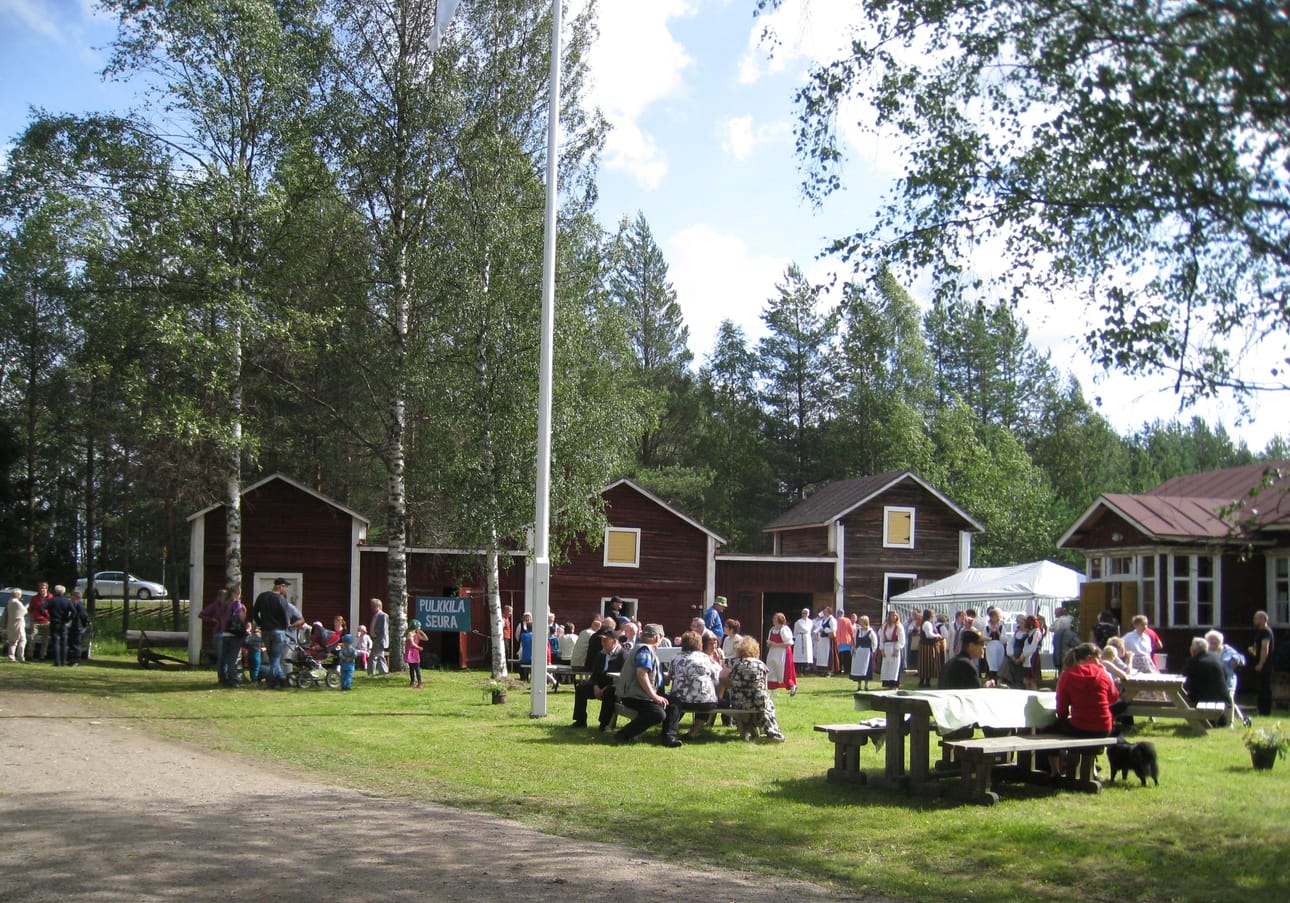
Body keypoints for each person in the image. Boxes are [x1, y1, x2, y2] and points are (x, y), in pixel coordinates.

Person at [611, 622, 680, 748]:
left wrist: (662, 678)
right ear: (657, 637)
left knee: (674, 703)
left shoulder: (641, 648)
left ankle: (669, 737)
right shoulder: (645, 650)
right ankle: (622, 735)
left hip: (640, 694)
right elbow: (641, 673)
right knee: (657, 714)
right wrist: (654, 696)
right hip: (635, 696)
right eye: (661, 637)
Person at [724, 635, 785, 742]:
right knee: (766, 704)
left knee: (749, 702)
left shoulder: (732, 663)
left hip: (739, 702)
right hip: (759, 701)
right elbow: (764, 687)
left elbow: (724, 680)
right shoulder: (761, 665)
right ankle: (771, 731)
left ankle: (749, 728)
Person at [666, 631, 722, 739]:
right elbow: (717, 677)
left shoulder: (675, 658)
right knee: (706, 697)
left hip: (681, 701)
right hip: (705, 703)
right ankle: (694, 732)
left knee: (675, 699)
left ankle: (672, 729)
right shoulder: (705, 658)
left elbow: (668, 679)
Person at [571, 627, 622, 729]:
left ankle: (604, 724)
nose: (602, 643)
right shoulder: (601, 654)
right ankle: (580, 721)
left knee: (609, 692)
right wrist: (595, 686)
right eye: (602, 640)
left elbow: (623, 678)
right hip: (599, 685)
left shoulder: (623, 656)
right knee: (581, 688)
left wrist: (606, 687)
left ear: (614, 641)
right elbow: (595, 674)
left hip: (614, 687)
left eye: (605, 640)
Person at [253, 578, 296, 689]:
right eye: (286, 587)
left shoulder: (262, 597)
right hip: (278, 632)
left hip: (266, 631)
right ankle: (272, 683)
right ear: (281, 586)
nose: (286, 590)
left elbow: (254, 613)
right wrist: (285, 627)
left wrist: (261, 624)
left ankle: (281, 678)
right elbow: (286, 619)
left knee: (272, 658)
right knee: (275, 658)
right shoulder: (281, 600)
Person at [1181, 636, 1228, 721]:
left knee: (1184, 696)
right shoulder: (1216, 657)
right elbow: (1226, 675)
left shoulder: (1194, 662)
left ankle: (1198, 721)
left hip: (1203, 698)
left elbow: (1183, 679)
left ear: (1194, 650)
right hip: (1222, 697)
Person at [1205, 629, 1247, 724]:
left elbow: (1242, 658)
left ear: (1221, 641)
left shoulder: (1227, 650)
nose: (1213, 641)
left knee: (1229, 698)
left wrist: (1236, 660)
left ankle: (1229, 722)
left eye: (1215, 639)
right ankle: (1212, 721)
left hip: (1227, 681)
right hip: (1211, 682)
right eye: (1210, 640)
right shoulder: (1205, 651)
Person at [1249, 610, 1275, 717]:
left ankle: (1265, 710)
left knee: (1265, 687)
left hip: (1265, 665)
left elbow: (1265, 648)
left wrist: (1261, 663)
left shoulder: (1266, 632)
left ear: (1263, 619)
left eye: (1256, 618)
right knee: (1260, 687)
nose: (1254, 620)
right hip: (1260, 664)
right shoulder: (1260, 632)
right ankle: (1261, 709)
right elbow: (1258, 648)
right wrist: (1253, 651)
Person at [219, 588, 247, 687]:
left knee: (224, 658)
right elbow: (241, 618)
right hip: (235, 634)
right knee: (233, 658)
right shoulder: (237, 604)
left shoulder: (223, 605)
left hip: (224, 634)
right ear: (237, 594)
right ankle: (233, 680)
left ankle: (223, 679)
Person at [766, 611, 796, 696]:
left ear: (780, 620)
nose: (773, 620)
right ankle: (773, 692)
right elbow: (769, 641)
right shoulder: (772, 629)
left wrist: (776, 644)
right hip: (772, 652)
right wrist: (769, 643)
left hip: (782, 653)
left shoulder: (784, 629)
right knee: (771, 670)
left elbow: (790, 643)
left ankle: (792, 686)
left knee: (782, 671)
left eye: (775, 618)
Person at [45, 585, 74, 667]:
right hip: (63, 623)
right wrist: (68, 619)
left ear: (55, 591)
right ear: (63, 592)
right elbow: (74, 612)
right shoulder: (67, 601)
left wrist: (47, 616)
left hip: (54, 622)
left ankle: (57, 661)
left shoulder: (51, 600)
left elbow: (41, 608)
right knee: (64, 643)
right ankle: (63, 661)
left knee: (55, 642)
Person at [877, 609, 904, 688]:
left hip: (895, 647)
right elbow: (881, 637)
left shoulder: (899, 626)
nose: (894, 617)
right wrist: (881, 649)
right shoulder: (884, 626)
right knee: (886, 666)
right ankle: (888, 684)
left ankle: (895, 684)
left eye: (895, 615)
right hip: (886, 647)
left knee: (894, 667)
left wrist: (896, 649)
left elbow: (901, 639)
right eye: (892, 615)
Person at [916, 609, 943, 687]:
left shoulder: (930, 623)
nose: (934, 615)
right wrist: (937, 635)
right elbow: (929, 635)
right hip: (926, 646)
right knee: (926, 663)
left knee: (929, 664)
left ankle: (927, 682)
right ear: (930, 615)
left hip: (929, 646)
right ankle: (922, 682)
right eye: (933, 614)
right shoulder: (927, 623)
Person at [850, 615, 877, 689]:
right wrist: (855, 648)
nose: (860, 623)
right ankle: (859, 685)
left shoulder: (870, 632)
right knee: (859, 668)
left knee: (866, 669)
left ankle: (866, 685)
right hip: (859, 652)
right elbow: (855, 640)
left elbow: (874, 642)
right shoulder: (858, 631)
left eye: (861, 621)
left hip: (867, 653)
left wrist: (872, 650)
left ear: (865, 622)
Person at [1050, 607, 1079, 677]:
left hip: (1057, 659)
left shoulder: (1056, 635)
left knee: (1061, 677)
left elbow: (1053, 643)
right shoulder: (1070, 634)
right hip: (1068, 659)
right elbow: (1079, 644)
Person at [28, 582, 50, 661]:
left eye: (43, 588)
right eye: (41, 588)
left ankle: (42, 656)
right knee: (32, 638)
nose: (42, 590)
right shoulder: (34, 598)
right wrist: (31, 619)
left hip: (46, 622)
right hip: (36, 621)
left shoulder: (50, 597)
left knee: (45, 640)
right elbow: (30, 610)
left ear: (46, 589)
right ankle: (30, 655)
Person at [368, 598, 389, 678]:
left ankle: (371, 673)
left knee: (373, 656)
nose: (372, 608)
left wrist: (380, 639)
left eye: (373, 606)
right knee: (380, 656)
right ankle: (384, 672)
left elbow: (384, 629)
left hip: (379, 639)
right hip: (376, 639)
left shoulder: (383, 615)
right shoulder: (375, 615)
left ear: (378, 606)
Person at [6, 588, 29, 662]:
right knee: (22, 640)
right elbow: (24, 611)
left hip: (11, 623)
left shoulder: (10, 601)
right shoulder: (17, 602)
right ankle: (20, 657)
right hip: (18, 623)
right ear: (18, 595)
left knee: (13, 641)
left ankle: (11, 656)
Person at [813, 607, 837, 675]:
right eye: (823, 611)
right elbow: (819, 628)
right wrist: (816, 633)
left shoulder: (832, 620)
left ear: (829, 612)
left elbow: (834, 630)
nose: (823, 613)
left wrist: (825, 629)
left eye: (825, 611)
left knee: (828, 654)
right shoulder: (823, 620)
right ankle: (822, 670)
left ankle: (830, 671)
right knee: (822, 655)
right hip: (822, 639)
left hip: (829, 640)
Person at [792, 608, 814, 674]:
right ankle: (799, 669)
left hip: (807, 637)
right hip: (799, 637)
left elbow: (809, 630)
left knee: (807, 653)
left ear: (808, 614)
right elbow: (795, 631)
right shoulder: (798, 622)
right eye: (803, 613)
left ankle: (806, 669)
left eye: (806, 613)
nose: (804, 614)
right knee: (799, 653)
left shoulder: (810, 622)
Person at [405, 621, 427, 688]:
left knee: (417, 668)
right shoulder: (410, 634)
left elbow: (426, 638)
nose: (420, 628)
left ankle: (420, 682)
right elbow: (412, 643)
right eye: (419, 627)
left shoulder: (417, 634)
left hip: (415, 653)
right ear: (415, 627)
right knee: (411, 668)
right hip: (410, 652)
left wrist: (421, 632)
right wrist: (419, 647)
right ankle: (412, 681)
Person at [834, 612, 855, 676]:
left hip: (839, 640)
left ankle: (839, 669)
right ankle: (848, 670)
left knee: (840, 656)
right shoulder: (848, 620)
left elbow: (836, 630)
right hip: (847, 640)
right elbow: (851, 630)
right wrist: (853, 638)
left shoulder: (837, 621)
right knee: (848, 656)